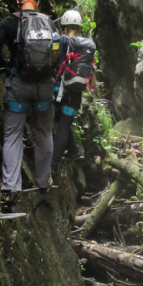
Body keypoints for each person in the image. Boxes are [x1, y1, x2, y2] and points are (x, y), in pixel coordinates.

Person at [0, 0, 60, 209]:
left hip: (19, 85)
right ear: (36, 1)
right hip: (44, 88)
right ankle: (43, 182)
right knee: (44, 133)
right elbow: (57, 53)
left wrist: (5, 65)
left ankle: (10, 189)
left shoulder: (10, 22)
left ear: (18, 1)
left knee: (13, 136)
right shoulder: (49, 23)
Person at [52, 9, 95, 168]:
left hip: (59, 90)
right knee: (64, 123)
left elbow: (53, 57)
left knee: (60, 126)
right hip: (76, 94)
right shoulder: (86, 46)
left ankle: (52, 166)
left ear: (64, 24)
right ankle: (74, 150)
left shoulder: (62, 41)